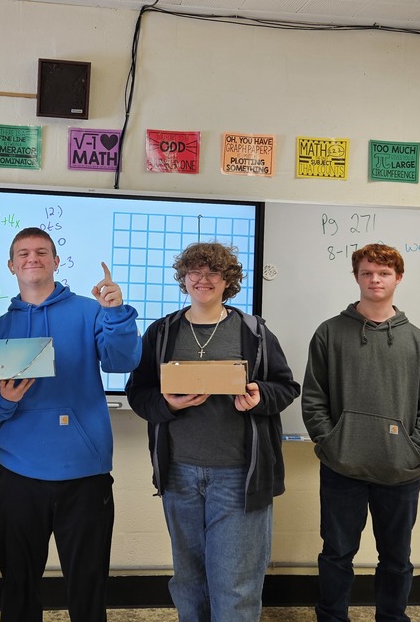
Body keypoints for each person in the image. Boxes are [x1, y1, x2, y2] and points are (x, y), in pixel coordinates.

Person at [0, 227, 141, 622]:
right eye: (24, 253)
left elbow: (122, 361)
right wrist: (6, 400)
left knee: (87, 586)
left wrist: (116, 312)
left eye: (42, 252)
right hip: (17, 475)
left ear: (56, 261)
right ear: (11, 265)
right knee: (18, 586)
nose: (33, 258)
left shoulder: (90, 310)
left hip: (85, 475)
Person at [126, 242, 299, 621]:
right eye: (195, 272)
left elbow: (286, 388)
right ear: (184, 278)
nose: (202, 280)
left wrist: (259, 396)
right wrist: (168, 404)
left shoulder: (253, 331)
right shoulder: (162, 331)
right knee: (188, 580)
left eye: (213, 273)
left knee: (236, 583)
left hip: (238, 476)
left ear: (228, 281)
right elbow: (137, 394)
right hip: (179, 476)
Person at [302, 243, 420, 622]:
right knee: (336, 554)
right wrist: (331, 443)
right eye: (367, 272)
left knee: (397, 559)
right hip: (342, 467)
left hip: (400, 472)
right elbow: (313, 397)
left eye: (383, 273)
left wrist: (417, 451)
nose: (375, 279)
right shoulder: (329, 333)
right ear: (356, 278)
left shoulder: (418, 341)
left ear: (398, 278)